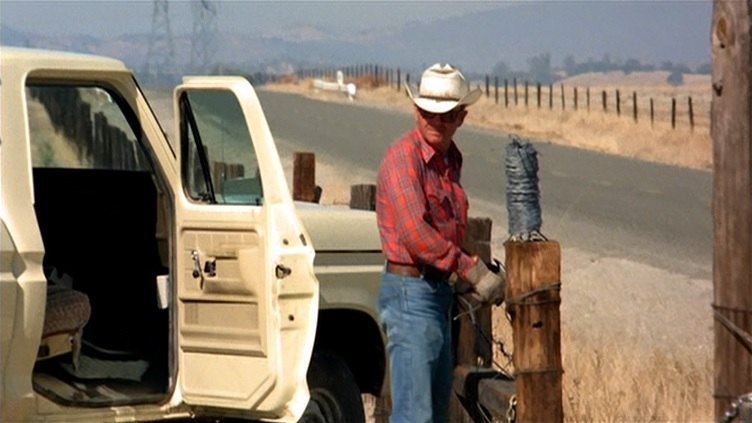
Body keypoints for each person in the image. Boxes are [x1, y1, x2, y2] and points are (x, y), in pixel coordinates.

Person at [375, 63, 507, 423]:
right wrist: (472, 270)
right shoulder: (404, 158)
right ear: (417, 111)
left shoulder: (449, 160)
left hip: (433, 292)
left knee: (431, 412)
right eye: (430, 113)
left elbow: (445, 232)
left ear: (461, 117)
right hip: (411, 292)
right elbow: (416, 236)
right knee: (416, 415)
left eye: (447, 114)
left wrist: (464, 275)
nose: (438, 121)